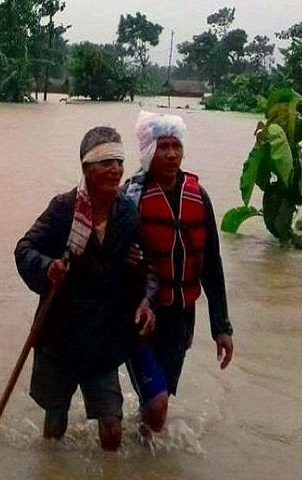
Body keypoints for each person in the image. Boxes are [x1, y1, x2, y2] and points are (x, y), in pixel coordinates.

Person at [14, 127, 155, 451]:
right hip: (60, 334)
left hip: (103, 337)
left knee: (111, 428)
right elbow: (24, 249)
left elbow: (145, 268)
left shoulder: (127, 214)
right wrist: (48, 267)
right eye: (106, 163)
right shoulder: (63, 209)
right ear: (87, 169)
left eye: (119, 162)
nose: (116, 170)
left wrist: (146, 301)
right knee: (55, 425)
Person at [123, 111, 234, 434]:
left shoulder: (199, 197)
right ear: (147, 151)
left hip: (181, 319)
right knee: (158, 405)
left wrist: (221, 328)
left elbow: (212, 264)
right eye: (162, 147)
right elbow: (111, 256)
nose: (171, 154)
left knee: (159, 403)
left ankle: (142, 449)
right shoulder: (131, 197)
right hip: (141, 317)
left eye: (176, 146)